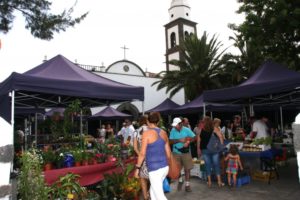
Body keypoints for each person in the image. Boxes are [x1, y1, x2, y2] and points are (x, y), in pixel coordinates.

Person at [134, 112, 171, 200]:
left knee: (159, 196)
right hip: (164, 168)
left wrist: (137, 168)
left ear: (147, 121)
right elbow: (168, 153)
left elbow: (142, 153)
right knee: (153, 193)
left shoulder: (146, 134)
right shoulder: (163, 132)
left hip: (155, 170)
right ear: (158, 122)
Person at [169, 117, 195, 192]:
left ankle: (187, 184)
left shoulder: (186, 129)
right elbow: (170, 141)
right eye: (174, 125)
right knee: (177, 168)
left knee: (187, 169)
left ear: (180, 124)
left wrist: (188, 142)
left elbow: (194, 137)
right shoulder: (173, 130)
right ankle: (180, 180)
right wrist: (179, 140)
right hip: (176, 152)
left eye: (176, 125)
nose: (174, 127)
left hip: (186, 152)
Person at [197, 116, 224, 188]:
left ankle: (209, 182)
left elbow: (199, 140)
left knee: (207, 165)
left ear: (204, 122)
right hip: (214, 150)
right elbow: (221, 137)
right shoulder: (214, 128)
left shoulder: (201, 130)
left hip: (205, 150)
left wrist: (198, 149)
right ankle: (219, 181)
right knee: (216, 165)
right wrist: (221, 146)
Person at [133, 115, 150, 200]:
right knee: (153, 178)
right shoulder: (152, 130)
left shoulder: (136, 131)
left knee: (143, 178)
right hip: (152, 158)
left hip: (142, 159)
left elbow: (135, 148)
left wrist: (141, 155)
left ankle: (145, 197)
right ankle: (150, 193)